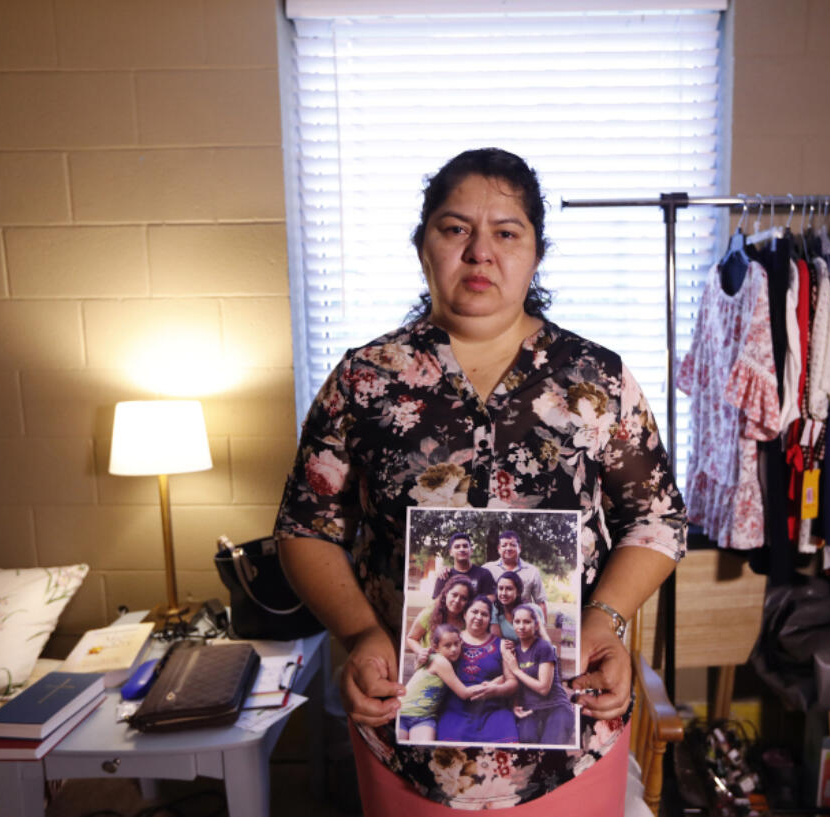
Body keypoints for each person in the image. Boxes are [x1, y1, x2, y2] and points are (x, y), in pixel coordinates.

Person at [274, 147, 685, 814]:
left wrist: (604, 619)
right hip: (410, 731)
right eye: (455, 227)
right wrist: (360, 634)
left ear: (536, 253)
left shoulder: (595, 379)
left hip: (566, 726)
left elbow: (657, 519)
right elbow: (304, 528)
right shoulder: (366, 379)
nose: (479, 252)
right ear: (423, 244)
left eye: (506, 232)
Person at [433, 596, 518, 744]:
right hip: (455, 711)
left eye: (484, 614)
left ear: (489, 619)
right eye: (474, 612)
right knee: (450, 757)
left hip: (493, 711)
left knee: (504, 756)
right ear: (465, 614)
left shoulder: (502, 645)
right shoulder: (450, 641)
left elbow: (512, 682)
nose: (479, 617)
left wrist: (495, 690)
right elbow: (431, 662)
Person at [397, 623, 488, 743]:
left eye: (456, 643)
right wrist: (493, 684)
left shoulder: (438, 659)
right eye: (447, 645)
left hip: (424, 719)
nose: (454, 649)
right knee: (398, 746)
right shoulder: (440, 661)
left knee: (422, 749)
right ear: (436, 647)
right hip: (402, 713)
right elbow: (464, 693)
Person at [502, 603, 575, 746]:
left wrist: (516, 670)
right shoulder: (514, 652)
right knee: (527, 743)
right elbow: (517, 685)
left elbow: (543, 688)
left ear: (536, 625)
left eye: (527, 622)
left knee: (551, 746)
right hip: (530, 710)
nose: (521, 626)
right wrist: (515, 705)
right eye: (517, 622)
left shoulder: (543, 647)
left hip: (555, 706)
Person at [405, 575, 472, 667]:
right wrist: (420, 651)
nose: (457, 601)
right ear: (446, 593)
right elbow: (411, 638)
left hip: (456, 670)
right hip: (430, 668)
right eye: (454, 595)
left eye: (463, 598)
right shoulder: (430, 613)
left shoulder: (467, 620)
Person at [483, 530, 547, 621]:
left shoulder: (532, 571)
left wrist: (543, 627)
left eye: (513, 545)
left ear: (519, 548)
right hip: (494, 621)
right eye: (504, 545)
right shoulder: (487, 569)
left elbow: (540, 602)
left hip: (523, 622)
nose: (508, 548)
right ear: (498, 549)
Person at [430, 532, 496, 600]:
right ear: (451, 552)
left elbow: (490, 600)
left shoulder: (484, 574)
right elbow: (436, 604)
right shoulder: (444, 576)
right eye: (457, 547)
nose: (461, 549)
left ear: (471, 551)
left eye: (465, 546)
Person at [491, 570, 524, 640]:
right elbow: (497, 641)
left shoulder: (530, 611)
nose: (503, 593)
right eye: (500, 588)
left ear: (518, 592)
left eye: (509, 589)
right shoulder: (494, 610)